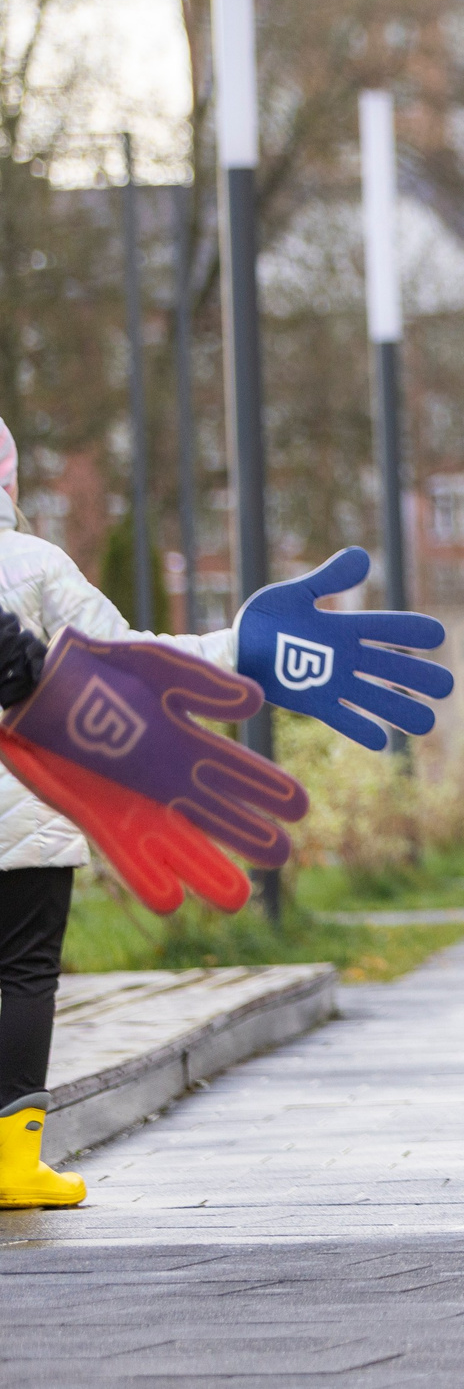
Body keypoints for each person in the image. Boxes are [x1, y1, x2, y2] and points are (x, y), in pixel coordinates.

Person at [0, 419, 248, 1208]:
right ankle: (13, 1161)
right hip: (31, 806)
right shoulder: (36, 566)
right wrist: (239, 649)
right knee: (25, 972)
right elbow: (128, 658)